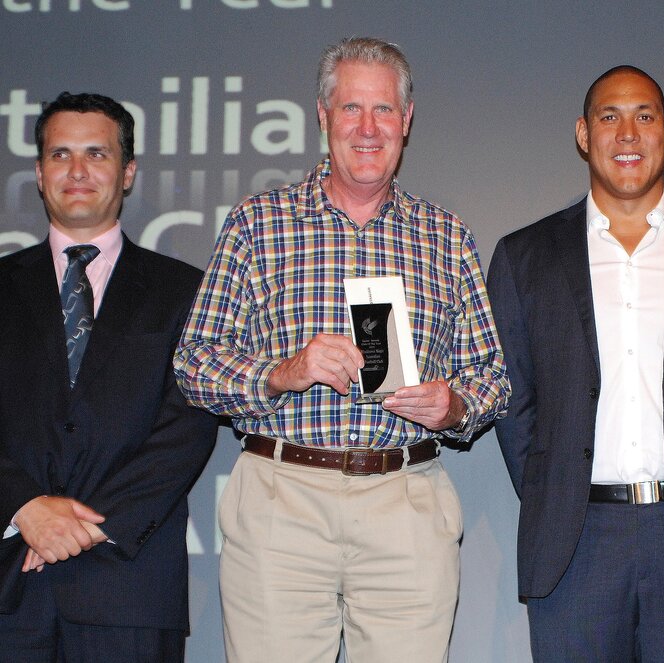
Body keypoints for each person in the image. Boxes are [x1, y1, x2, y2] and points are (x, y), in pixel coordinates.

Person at [173, 37, 509, 662]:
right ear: (323, 115)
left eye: (383, 110)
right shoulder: (257, 223)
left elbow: (492, 376)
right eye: (351, 108)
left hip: (406, 499)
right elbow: (194, 363)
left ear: (407, 121)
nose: (367, 128)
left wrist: (455, 406)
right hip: (282, 495)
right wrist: (280, 373)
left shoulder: (446, 236)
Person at [487, 65, 664, 661]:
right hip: (574, 547)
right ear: (582, 133)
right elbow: (513, 401)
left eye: (644, 116)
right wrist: (557, 492)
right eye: (609, 117)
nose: (628, 134)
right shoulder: (524, 257)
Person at [0, 92, 218, 661]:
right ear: (39, 173)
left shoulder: (186, 290)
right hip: (8, 588)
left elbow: (186, 429)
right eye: (60, 154)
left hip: (131, 593)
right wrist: (25, 508)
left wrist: (85, 527)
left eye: (96, 154)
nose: (77, 171)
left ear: (127, 173)